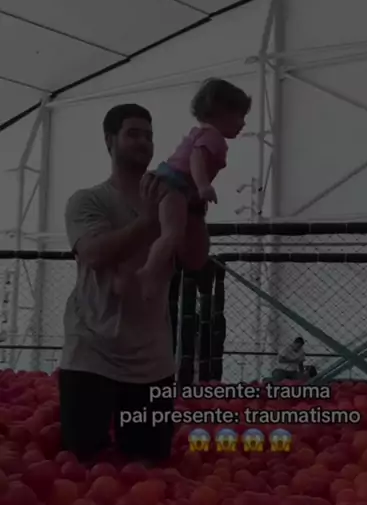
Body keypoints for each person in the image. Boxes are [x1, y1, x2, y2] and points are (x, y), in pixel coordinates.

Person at [58, 103, 207, 464]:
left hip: (152, 362)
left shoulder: (171, 201)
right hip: (92, 353)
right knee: (81, 464)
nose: (143, 142)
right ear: (110, 140)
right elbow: (94, 253)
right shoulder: (88, 200)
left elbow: (195, 259)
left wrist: (194, 208)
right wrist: (150, 220)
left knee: (149, 467)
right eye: (133, 134)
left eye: (149, 136)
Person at [136, 78, 251, 298]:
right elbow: (196, 158)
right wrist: (203, 185)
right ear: (220, 113)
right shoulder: (214, 137)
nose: (243, 124)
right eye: (240, 116)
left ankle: (151, 271)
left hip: (168, 182)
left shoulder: (200, 132)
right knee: (172, 234)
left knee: (169, 233)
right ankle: (148, 273)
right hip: (174, 186)